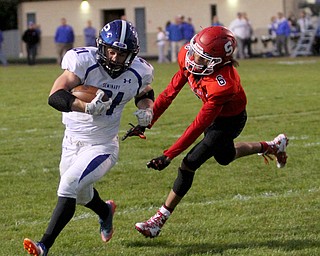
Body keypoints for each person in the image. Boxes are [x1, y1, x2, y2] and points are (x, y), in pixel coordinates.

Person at [133, 26, 289, 238]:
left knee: (188, 164)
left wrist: (169, 154)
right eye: (195, 53)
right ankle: (271, 146)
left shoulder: (223, 84)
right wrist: (147, 122)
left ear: (220, 62)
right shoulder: (187, 56)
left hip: (230, 121)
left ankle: (157, 221)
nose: (195, 61)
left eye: (203, 59)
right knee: (225, 157)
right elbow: (170, 93)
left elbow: (198, 125)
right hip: (214, 119)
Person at [23, 19, 155, 256]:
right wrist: (83, 107)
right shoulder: (83, 61)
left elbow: (145, 93)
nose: (115, 58)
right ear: (102, 47)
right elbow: (55, 96)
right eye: (111, 51)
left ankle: (43, 246)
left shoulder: (140, 71)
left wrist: (147, 109)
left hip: (102, 145)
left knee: (69, 184)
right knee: (82, 194)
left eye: (121, 53)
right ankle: (105, 211)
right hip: (71, 140)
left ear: (132, 55)